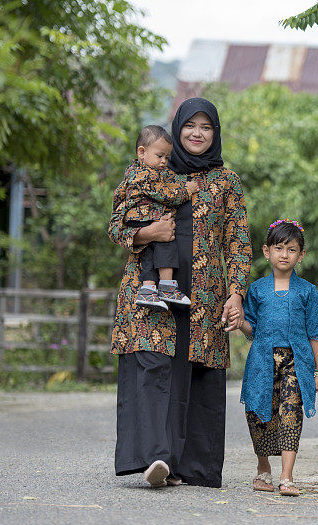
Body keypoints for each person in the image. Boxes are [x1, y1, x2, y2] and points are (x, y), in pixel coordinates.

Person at [108, 97, 252, 488]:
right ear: (178, 128)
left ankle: (186, 465)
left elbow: (238, 241)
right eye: (191, 125)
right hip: (151, 284)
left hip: (204, 292)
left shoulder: (227, 182)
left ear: (215, 133)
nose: (197, 133)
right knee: (153, 363)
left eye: (206, 127)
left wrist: (237, 293)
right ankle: (156, 457)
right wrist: (147, 233)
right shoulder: (153, 167)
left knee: (195, 371)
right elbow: (118, 223)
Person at [236, 219, 318, 496]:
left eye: (291, 249)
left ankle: (286, 477)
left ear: (301, 255)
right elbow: (251, 327)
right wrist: (240, 321)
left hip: (296, 364)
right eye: (279, 248)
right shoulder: (256, 290)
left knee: (291, 414)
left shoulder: (307, 291)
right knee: (257, 413)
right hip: (261, 361)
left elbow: (316, 332)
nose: (284, 254)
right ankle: (262, 469)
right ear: (267, 251)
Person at [118, 125, 197, 310]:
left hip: (138, 219)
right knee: (166, 242)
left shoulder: (134, 173)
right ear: (142, 152)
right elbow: (167, 196)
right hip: (147, 218)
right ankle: (167, 286)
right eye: (160, 156)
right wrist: (187, 190)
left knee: (148, 253)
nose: (164, 162)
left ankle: (148, 289)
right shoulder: (148, 176)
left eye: (167, 158)